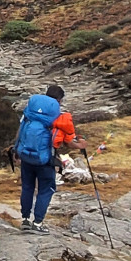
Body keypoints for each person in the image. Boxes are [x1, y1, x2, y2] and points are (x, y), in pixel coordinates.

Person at [15, 83, 77, 235]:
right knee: (46, 189)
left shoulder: (30, 113)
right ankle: (37, 223)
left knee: (27, 187)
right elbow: (68, 143)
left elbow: (20, 131)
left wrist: (17, 151)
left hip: (26, 156)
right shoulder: (58, 117)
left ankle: (25, 220)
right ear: (60, 100)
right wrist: (81, 144)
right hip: (45, 160)